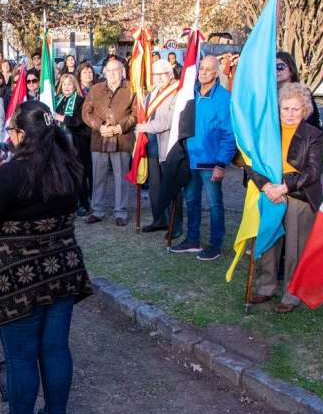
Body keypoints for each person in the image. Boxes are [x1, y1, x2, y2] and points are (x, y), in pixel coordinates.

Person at [0, 100, 93, 414]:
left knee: (20, 357)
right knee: (56, 347)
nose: (10, 137)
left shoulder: (11, 172)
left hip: (20, 278)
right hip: (63, 269)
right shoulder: (71, 165)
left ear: (23, 135)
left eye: (13, 131)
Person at [245, 83, 323, 312]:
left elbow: (313, 171)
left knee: (294, 248)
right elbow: (251, 164)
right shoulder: (268, 131)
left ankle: (292, 292)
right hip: (270, 193)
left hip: (299, 197)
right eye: (285, 108)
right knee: (270, 241)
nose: (289, 114)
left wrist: (285, 186)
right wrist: (266, 185)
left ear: (305, 110)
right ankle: (266, 287)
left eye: (295, 109)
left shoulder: (314, 135)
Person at [169, 56, 236, 261]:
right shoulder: (191, 94)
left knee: (215, 203)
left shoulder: (224, 98)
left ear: (217, 73)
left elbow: (229, 134)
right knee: (192, 200)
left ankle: (215, 244)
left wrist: (221, 164)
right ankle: (193, 239)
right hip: (190, 160)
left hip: (211, 162)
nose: (203, 72)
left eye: (208, 69)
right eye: (201, 69)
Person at [82, 59, 136, 225]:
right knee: (98, 176)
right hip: (99, 139)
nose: (112, 73)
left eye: (116, 70)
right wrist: (99, 127)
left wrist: (120, 127)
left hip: (122, 139)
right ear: (104, 72)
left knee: (121, 177)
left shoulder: (131, 89)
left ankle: (120, 212)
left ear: (122, 71)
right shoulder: (96, 89)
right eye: (109, 70)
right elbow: (86, 113)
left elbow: (136, 113)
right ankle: (97, 210)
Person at [135, 60, 180, 233]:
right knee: (155, 186)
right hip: (150, 146)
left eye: (162, 74)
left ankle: (174, 225)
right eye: (156, 74)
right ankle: (159, 219)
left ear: (170, 74)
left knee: (171, 187)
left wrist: (145, 127)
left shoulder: (177, 91)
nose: (159, 78)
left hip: (168, 146)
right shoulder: (152, 93)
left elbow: (170, 119)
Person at [55, 73, 91, 216]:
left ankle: (83, 203)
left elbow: (78, 121)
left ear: (74, 85)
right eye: (64, 84)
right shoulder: (57, 100)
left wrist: (60, 117)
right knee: (63, 174)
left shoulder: (81, 101)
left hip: (76, 142)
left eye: (69, 84)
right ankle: (68, 203)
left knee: (78, 174)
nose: (66, 87)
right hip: (60, 142)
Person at [276, 51, 322, 130]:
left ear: (291, 70)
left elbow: (312, 122)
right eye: (272, 67)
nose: (276, 70)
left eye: (280, 67)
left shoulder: (302, 93)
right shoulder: (268, 94)